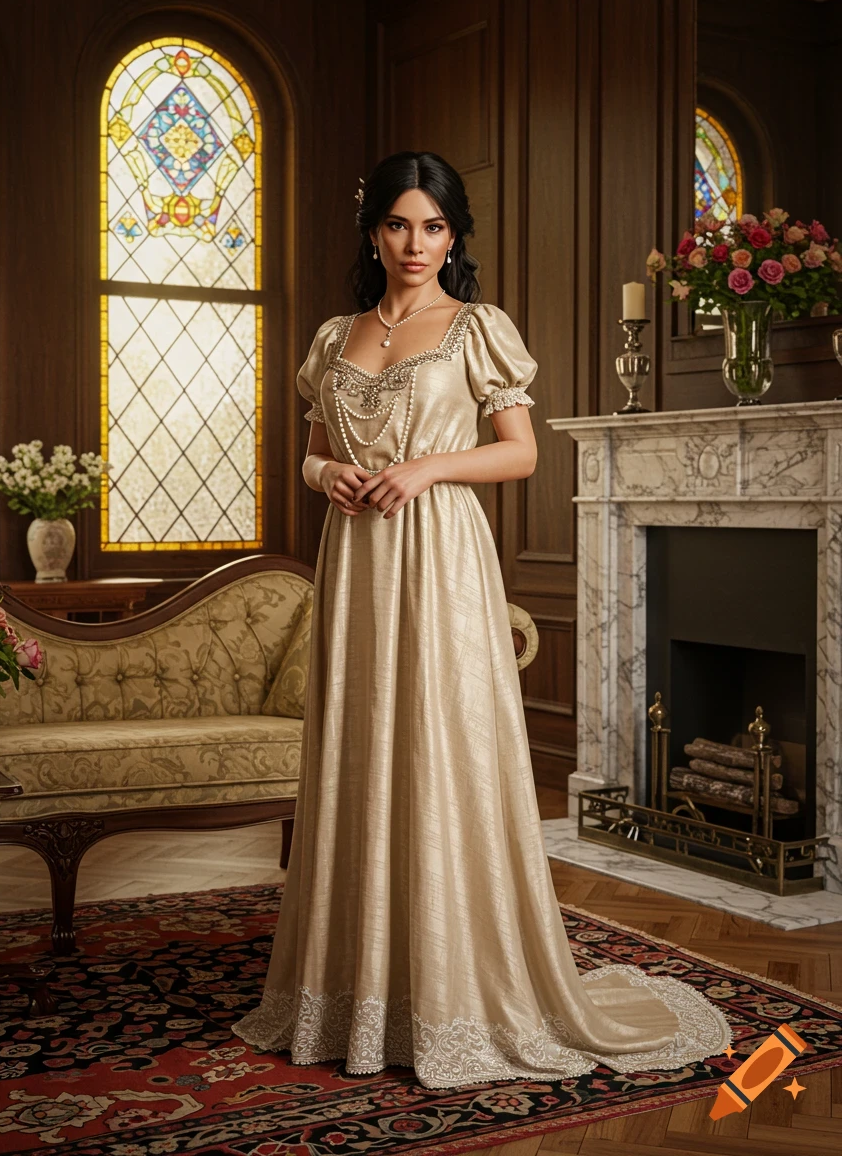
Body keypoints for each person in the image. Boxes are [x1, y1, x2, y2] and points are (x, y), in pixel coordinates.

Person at [231, 151, 730, 1091]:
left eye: (432, 227)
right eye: (396, 225)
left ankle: (457, 986)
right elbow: (310, 453)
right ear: (372, 231)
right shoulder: (336, 336)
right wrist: (325, 476)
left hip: (440, 558)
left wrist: (423, 470)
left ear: (453, 236)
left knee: (439, 749)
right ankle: (355, 984)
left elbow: (522, 455)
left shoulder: (475, 330)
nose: (414, 244)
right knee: (361, 749)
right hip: (359, 561)